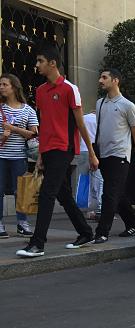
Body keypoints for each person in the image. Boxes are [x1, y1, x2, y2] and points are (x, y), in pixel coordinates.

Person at [16, 43, 98, 258]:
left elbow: (80, 124)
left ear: (53, 63)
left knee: (47, 194)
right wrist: (41, 154)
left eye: (40, 61)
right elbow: (44, 124)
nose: (37, 65)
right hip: (48, 148)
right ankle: (86, 232)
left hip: (64, 148)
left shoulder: (70, 88)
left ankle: (37, 243)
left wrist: (91, 152)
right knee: (62, 194)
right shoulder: (41, 91)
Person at [92, 68, 135, 243]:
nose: (100, 80)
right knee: (117, 192)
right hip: (104, 154)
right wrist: (94, 154)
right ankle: (133, 223)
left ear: (115, 81)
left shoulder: (128, 106)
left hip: (120, 155)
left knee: (108, 194)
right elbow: (99, 131)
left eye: (104, 77)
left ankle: (102, 232)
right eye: (100, 77)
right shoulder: (100, 103)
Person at [0, 73, 39, 239]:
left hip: (19, 157)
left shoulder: (28, 109)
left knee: (20, 191)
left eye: (4, 84)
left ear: (14, 87)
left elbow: (34, 134)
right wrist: (3, 136)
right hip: (1, 156)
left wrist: (14, 129)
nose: (1, 87)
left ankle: (22, 223)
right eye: (0, 84)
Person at [78, 110, 103, 221]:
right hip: (95, 152)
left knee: (84, 180)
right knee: (97, 181)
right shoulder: (101, 120)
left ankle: (88, 209)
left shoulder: (84, 118)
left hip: (82, 150)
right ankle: (98, 208)